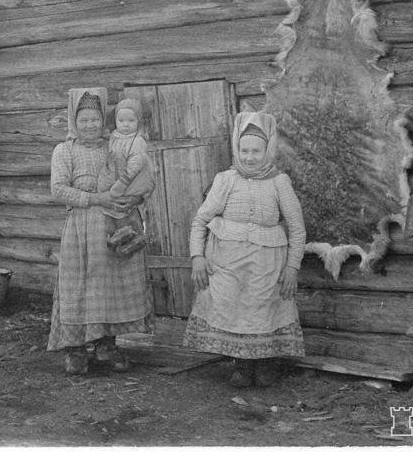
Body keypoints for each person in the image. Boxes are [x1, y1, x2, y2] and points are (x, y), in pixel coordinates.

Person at [183, 112, 306, 388]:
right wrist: (197, 257)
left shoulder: (279, 182)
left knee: (262, 309)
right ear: (236, 150)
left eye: (256, 151)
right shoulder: (225, 180)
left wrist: (292, 267)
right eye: (244, 150)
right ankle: (241, 364)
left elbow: (297, 228)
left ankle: (265, 364)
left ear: (268, 150)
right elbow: (200, 220)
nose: (249, 157)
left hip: (266, 264)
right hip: (227, 261)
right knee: (231, 307)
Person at [48, 88, 155, 375]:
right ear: (74, 120)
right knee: (80, 287)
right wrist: (96, 199)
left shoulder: (116, 145)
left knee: (110, 287)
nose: (90, 125)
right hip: (82, 227)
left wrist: (135, 198)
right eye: (83, 120)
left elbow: (143, 175)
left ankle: (107, 345)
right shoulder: (65, 150)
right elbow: (58, 189)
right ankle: (75, 349)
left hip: (115, 224)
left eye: (95, 119)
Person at [96, 98, 154, 255]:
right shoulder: (115, 137)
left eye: (131, 120)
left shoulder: (137, 141)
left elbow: (136, 163)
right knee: (113, 211)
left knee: (124, 209)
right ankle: (118, 238)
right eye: (121, 120)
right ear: (115, 121)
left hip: (131, 180)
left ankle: (135, 238)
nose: (126, 125)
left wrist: (123, 182)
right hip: (119, 180)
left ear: (138, 122)